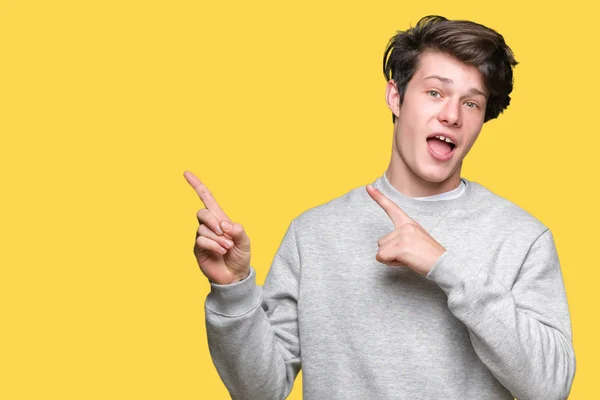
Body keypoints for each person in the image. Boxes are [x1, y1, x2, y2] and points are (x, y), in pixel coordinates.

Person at [184, 15, 576, 400]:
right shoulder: (314, 233)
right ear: (396, 96)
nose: (452, 115)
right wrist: (232, 289)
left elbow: (550, 387)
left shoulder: (522, 238)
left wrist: (445, 266)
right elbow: (260, 391)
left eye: (471, 103)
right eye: (435, 92)